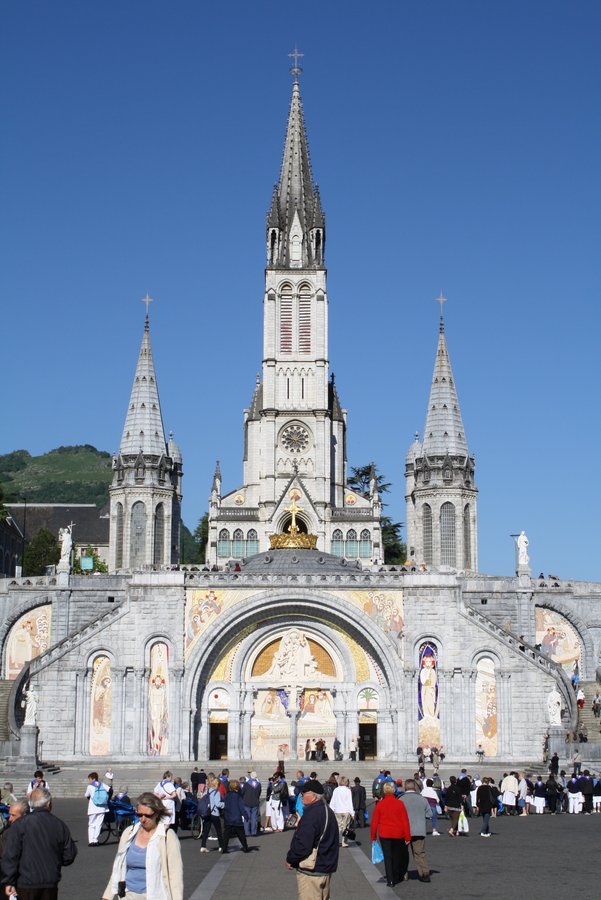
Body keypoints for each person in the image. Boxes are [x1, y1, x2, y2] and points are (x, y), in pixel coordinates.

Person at [103, 791, 183, 900]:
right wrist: (107, 897)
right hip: (128, 895)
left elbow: (175, 876)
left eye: (147, 815)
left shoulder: (167, 836)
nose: (143, 819)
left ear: (157, 814)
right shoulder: (128, 833)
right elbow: (118, 867)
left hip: (154, 895)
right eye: (139, 815)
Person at [1, 787, 77, 898]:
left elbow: (11, 855)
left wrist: (9, 881)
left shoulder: (20, 825)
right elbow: (69, 855)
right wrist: (54, 861)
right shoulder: (59, 825)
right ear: (49, 803)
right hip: (50, 881)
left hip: (26, 882)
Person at [286, 779, 339, 900]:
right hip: (325, 866)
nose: (301, 795)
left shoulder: (312, 814)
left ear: (313, 796)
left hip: (313, 870)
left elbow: (303, 844)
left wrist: (291, 859)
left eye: (303, 793)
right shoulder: (327, 810)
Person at [371, 782, 411, 887]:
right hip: (398, 833)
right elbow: (405, 821)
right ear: (394, 790)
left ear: (384, 791)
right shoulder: (400, 803)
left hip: (384, 834)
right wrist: (408, 836)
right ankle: (396, 875)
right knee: (396, 856)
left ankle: (390, 880)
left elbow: (374, 822)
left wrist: (373, 836)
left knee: (388, 857)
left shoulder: (380, 804)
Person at [399, 778, 432, 882]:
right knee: (420, 853)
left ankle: (403, 874)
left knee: (403, 854)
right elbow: (429, 814)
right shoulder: (422, 799)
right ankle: (424, 874)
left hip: (405, 831)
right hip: (419, 830)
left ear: (405, 787)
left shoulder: (401, 799)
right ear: (415, 787)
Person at [222, 780, 253, 853]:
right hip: (237, 818)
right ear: (238, 787)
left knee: (226, 834)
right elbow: (242, 808)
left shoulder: (227, 795)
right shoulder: (238, 797)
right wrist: (246, 816)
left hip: (228, 817)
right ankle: (245, 847)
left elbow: (223, 805)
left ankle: (224, 848)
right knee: (241, 834)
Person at [199, 775, 225, 853]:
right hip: (214, 813)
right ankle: (221, 846)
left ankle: (203, 846)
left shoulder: (208, 791)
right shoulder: (216, 792)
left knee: (206, 830)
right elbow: (217, 804)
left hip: (207, 812)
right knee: (218, 830)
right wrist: (224, 804)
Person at [85, 770, 110, 846]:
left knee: (92, 824)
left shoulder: (90, 786)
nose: (88, 781)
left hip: (93, 808)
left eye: (89, 779)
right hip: (102, 808)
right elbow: (110, 790)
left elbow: (86, 795)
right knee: (98, 824)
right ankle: (96, 840)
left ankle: (91, 841)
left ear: (93, 779)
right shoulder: (102, 784)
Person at [329, 776, 354, 847]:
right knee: (345, 827)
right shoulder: (348, 790)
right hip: (346, 810)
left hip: (337, 810)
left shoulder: (336, 790)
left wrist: (331, 810)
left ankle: (336, 840)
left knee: (338, 826)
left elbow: (332, 801)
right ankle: (344, 841)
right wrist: (352, 813)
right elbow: (350, 803)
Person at [241, 771, 261, 837]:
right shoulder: (259, 784)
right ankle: (254, 832)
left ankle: (246, 832)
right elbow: (259, 793)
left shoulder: (246, 784)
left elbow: (242, 792)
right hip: (255, 802)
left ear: (250, 776)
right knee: (254, 818)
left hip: (247, 802)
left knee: (247, 818)